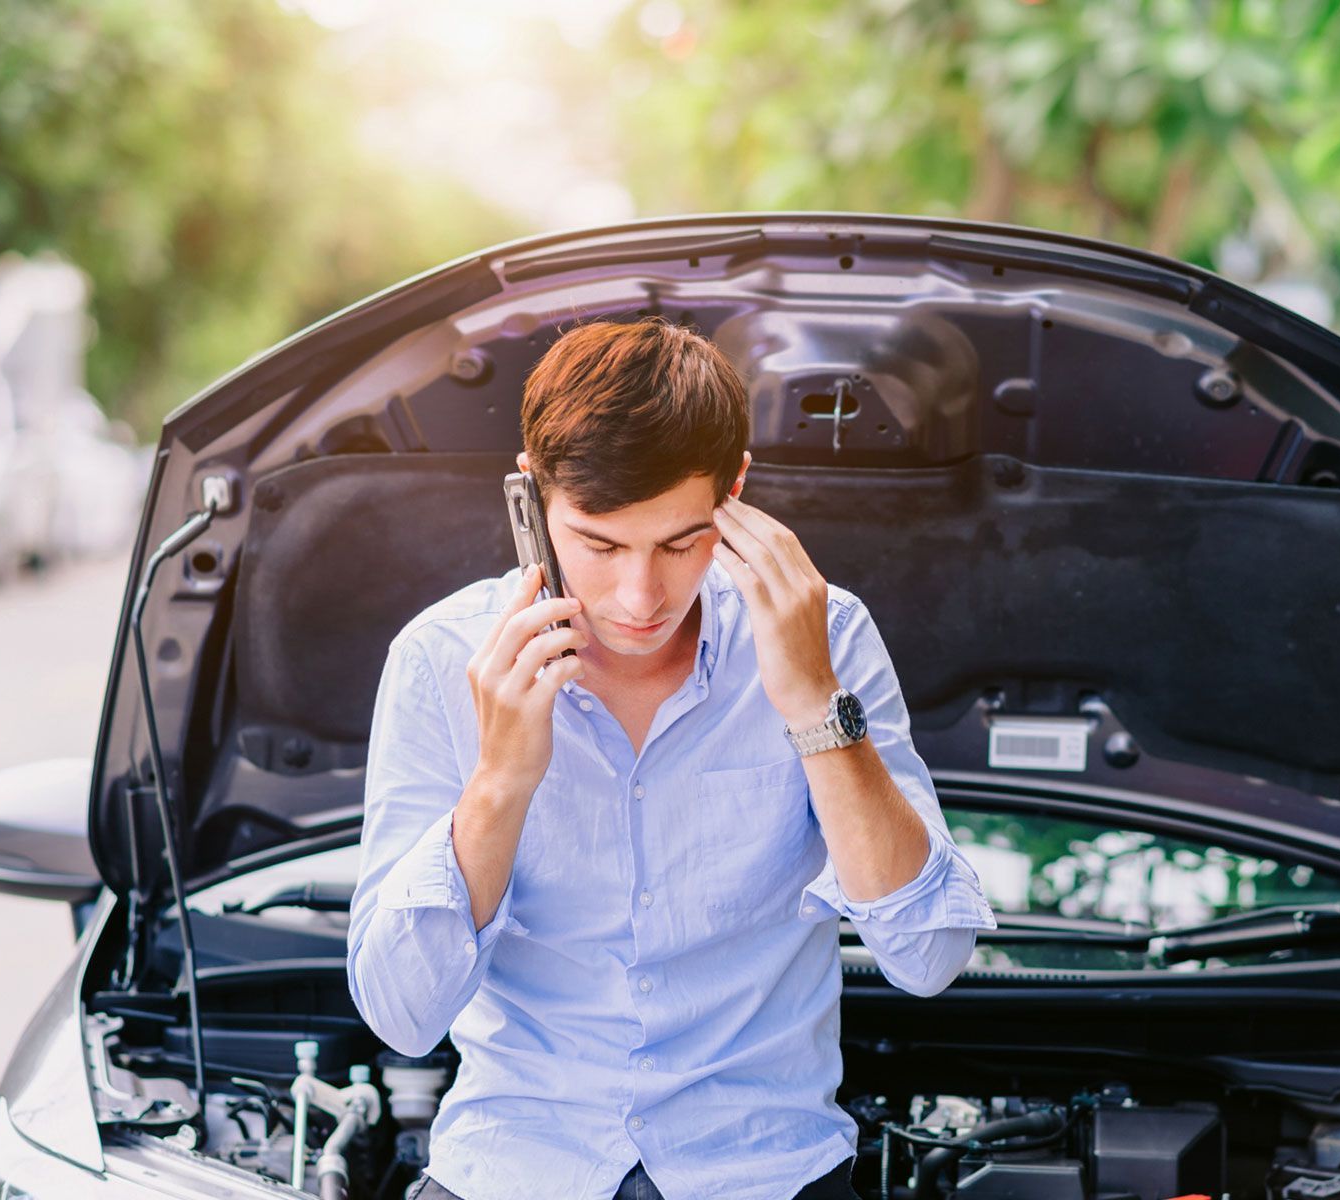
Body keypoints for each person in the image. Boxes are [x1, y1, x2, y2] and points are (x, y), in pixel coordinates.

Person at [347, 319, 996, 1200]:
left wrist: (814, 706)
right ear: (531, 497)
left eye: (680, 542)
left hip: (766, 1171)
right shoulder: (438, 659)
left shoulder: (828, 637)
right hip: (515, 1169)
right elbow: (401, 1014)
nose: (639, 596)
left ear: (736, 490)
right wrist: (500, 782)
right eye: (601, 544)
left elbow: (929, 956)